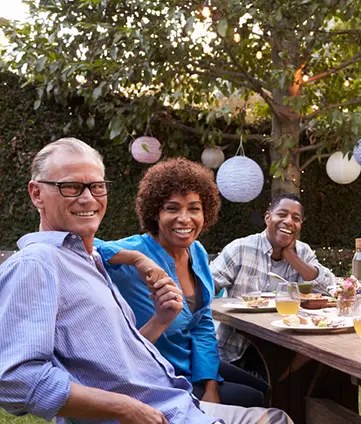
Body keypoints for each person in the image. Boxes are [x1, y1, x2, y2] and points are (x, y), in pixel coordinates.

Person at [0, 138, 291, 424]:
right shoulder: (38, 263)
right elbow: (13, 379)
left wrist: (163, 319)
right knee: (274, 412)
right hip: (157, 404)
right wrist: (124, 408)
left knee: (271, 403)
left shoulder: (89, 262)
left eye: (97, 186)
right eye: (71, 186)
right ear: (37, 194)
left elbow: (121, 356)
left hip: (170, 395)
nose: (88, 198)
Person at [95, 158, 268, 408]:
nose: (184, 219)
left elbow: (202, 324)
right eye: (172, 208)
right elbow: (77, 244)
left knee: (263, 387)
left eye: (194, 208)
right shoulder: (135, 251)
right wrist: (136, 259)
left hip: (191, 361)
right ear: (156, 212)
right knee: (255, 398)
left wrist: (209, 384)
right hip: (158, 373)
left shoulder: (196, 251)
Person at [210, 193, 335, 364]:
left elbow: (330, 289)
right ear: (268, 217)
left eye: (296, 218)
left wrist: (292, 257)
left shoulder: (303, 252)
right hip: (234, 349)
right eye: (282, 214)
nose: (289, 221)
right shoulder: (240, 249)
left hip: (285, 349)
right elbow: (205, 288)